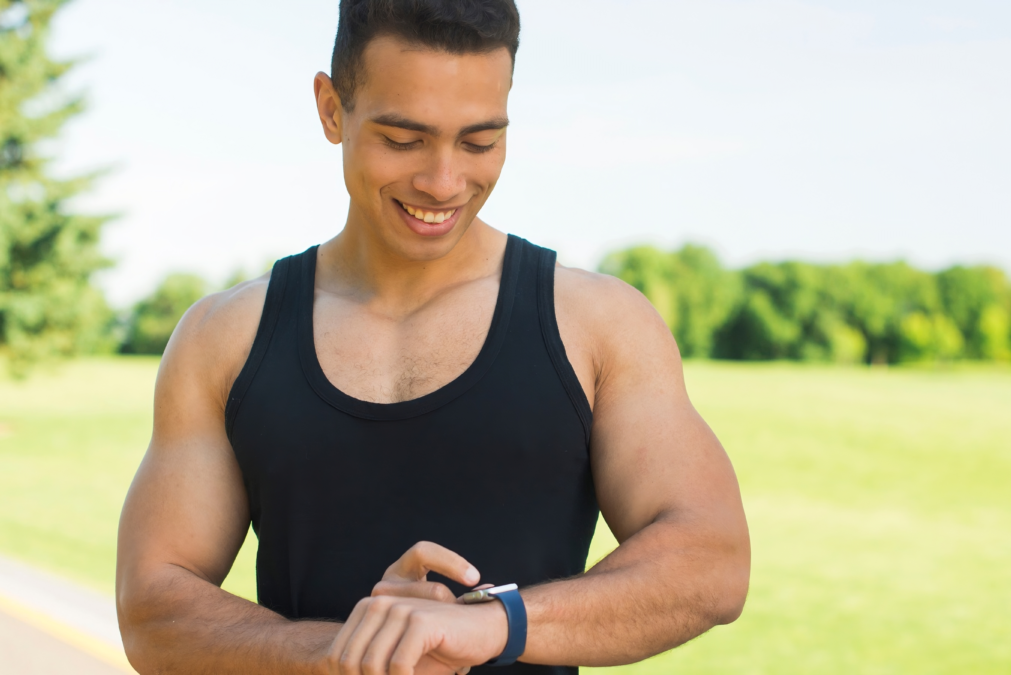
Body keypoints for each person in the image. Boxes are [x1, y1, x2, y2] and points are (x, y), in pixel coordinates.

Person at [115, 1, 750, 673]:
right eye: (403, 139)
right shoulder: (225, 337)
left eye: (479, 142)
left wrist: (492, 625)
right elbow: (153, 608)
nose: (444, 182)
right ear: (332, 109)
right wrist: (346, 652)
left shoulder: (598, 323)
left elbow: (711, 559)